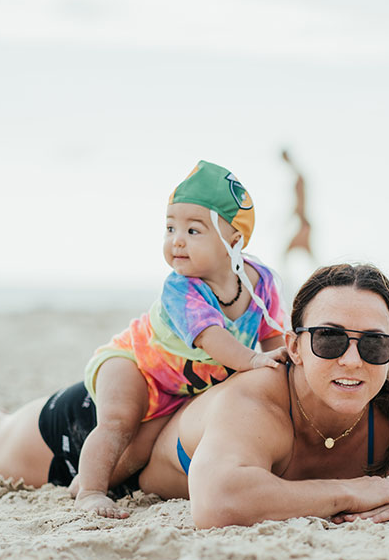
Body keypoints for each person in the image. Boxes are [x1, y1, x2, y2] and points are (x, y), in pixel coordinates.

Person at [0, 263, 389, 527]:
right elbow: (219, 504)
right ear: (294, 346)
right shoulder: (255, 400)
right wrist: (358, 491)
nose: (351, 360)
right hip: (103, 435)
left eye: (373, 345)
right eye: (328, 340)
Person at [74, 160, 287, 518]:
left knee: (142, 448)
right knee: (119, 420)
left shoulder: (260, 282)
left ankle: (86, 478)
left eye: (193, 230)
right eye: (170, 227)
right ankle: (91, 493)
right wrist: (251, 361)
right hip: (135, 361)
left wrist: (282, 366)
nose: (177, 241)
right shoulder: (181, 286)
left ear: (233, 241)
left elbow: (272, 334)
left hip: (180, 387)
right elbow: (209, 336)